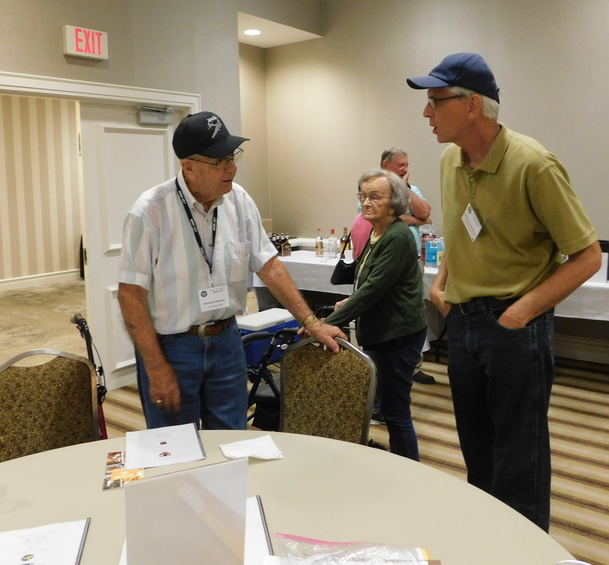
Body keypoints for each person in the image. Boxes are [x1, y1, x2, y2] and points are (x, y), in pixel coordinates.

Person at [407, 53, 601, 530]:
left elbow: (587, 256)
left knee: (520, 459)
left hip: (516, 326)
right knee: (477, 450)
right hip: (465, 323)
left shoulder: (533, 164)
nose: (426, 113)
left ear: (473, 105)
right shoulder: (451, 159)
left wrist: (520, 313)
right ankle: (491, 545)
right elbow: (461, 228)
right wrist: (442, 281)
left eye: (436, 102)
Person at [117, 111, 344, 431]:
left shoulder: (239, 201)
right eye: (219, 161)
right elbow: (130, 295)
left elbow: (269, 265)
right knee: (176, 448)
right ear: (189, 167)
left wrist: (311, 322)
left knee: (231, 442)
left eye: (232, 156)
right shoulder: (150, 212)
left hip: (227, 343)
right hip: (173, 348)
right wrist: (155, 367)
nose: (232, 167)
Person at [324, 169, 427, 460]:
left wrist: (326, 324)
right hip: (381, 331)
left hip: (398, 335)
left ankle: (409, 471)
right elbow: (368, 283)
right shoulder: (375, 232)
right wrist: (350, 301)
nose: (365, 203)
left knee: (395, 412)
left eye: (374, 197)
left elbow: (374, 289)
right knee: (385, 406)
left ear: (394, 202)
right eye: (363, 196)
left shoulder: (398, 236)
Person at [380, 147, 436, 385]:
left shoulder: (409, 189)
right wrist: (414, 220)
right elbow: (384, 219)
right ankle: (389, 368)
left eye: (406, 165)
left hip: (412, 263)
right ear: (386, 165)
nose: (405, 169)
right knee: (390, 315)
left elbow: (425, 211)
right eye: (400, 165)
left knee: (414, 313)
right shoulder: (374, 188)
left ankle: (414, 366)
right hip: (387, 262)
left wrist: (403, 188)